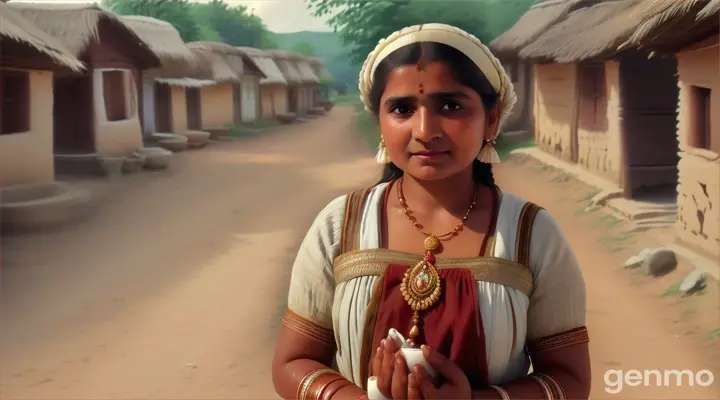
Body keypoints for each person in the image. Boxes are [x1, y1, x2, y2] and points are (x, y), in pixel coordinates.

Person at [272, 23, 590, 400]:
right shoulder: (339, 225)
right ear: (380, 121)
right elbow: (292, 363)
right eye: (402, 109)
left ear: (492, 120)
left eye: (451, 106)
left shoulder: (532, 234)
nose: (425, 130)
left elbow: (569, 379)